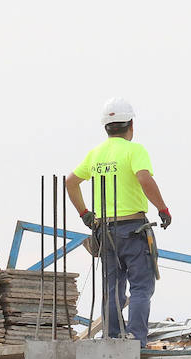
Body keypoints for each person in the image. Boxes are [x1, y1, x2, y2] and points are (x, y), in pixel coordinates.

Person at [65, 97, 172, 345]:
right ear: (131, 124)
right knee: (140, 287)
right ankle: (135, 338)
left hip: (105, 231)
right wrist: (162, 208)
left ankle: (112, 336)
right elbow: (145, 179)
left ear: (106, 127)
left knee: (112, 287)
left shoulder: (95, 154)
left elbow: (70, 182)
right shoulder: (135, 151)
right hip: (133, 228)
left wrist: (85, 214)